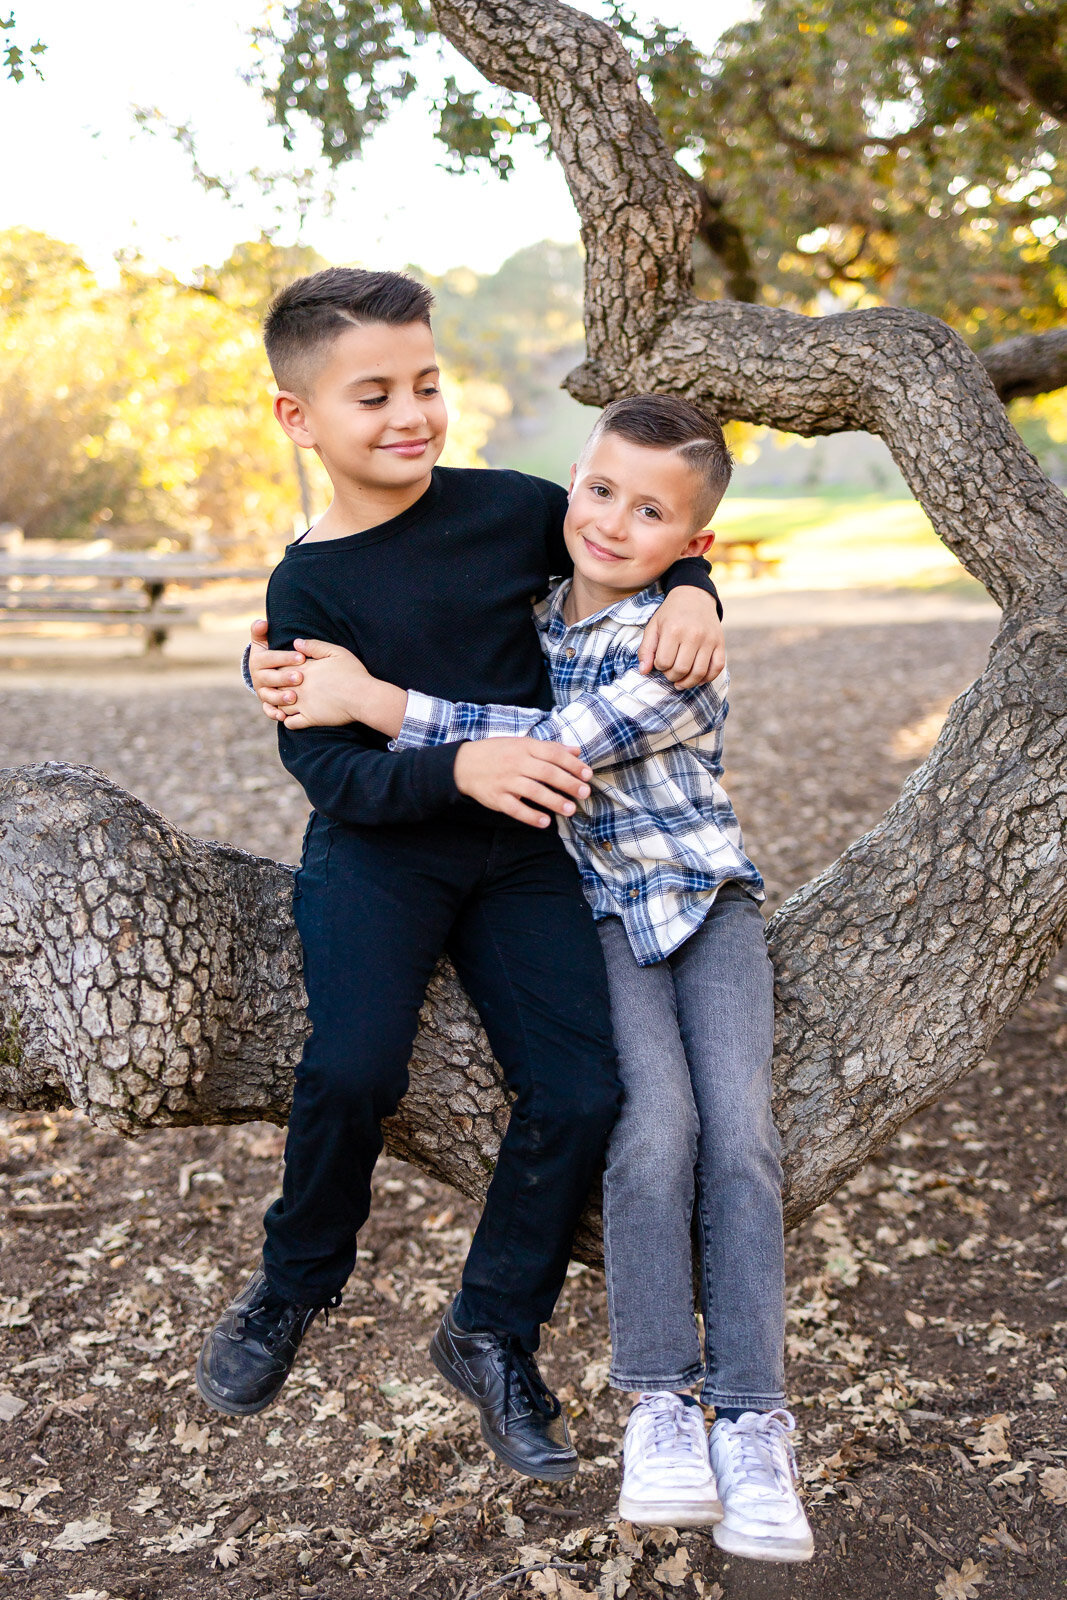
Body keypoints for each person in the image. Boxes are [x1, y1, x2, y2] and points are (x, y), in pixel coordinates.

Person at [197, 267, 728, 1488]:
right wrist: (458, 772)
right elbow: (331, 773)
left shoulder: (514, 508)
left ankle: (489, 1326)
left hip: (526, 855)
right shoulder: (306, 585)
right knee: (349, 1064)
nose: (410, 414)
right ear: (299, 418)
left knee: (581, 1090)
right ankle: (294, 1281)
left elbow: (633, 530)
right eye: (372, 393)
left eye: (426, 384)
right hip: (383, 852)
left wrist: (695, 588)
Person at [261, 394, 815, 1564]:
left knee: (743, 1138)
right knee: (648, 1125)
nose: (612, 522)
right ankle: (658, 1402)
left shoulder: (670, 643)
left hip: (704, 910)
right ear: (571, 479)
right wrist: (272, 658)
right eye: (600, 489)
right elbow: (405, 600)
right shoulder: (534, 602)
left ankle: (755, 1414)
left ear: (692, 542)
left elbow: (543, 741)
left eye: (652, 512)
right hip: (595, 916)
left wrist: (371, 701)